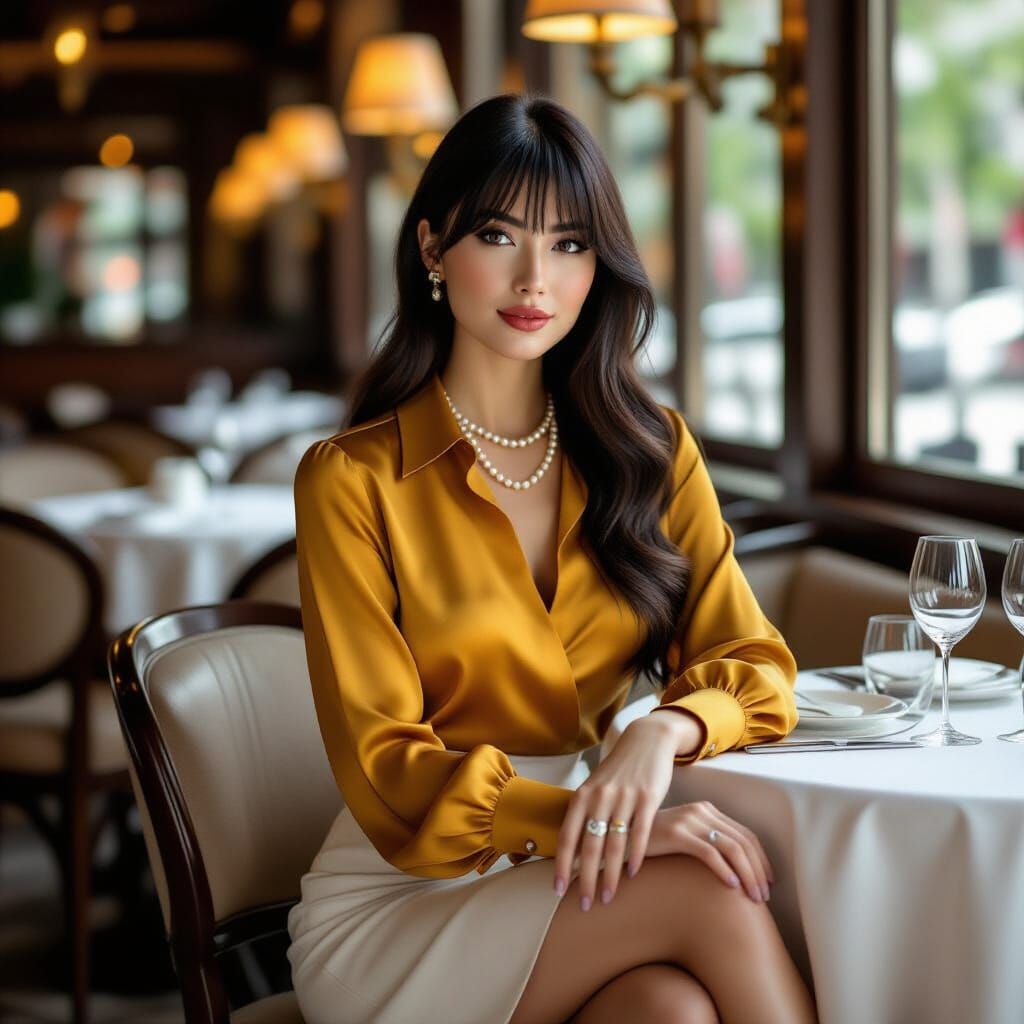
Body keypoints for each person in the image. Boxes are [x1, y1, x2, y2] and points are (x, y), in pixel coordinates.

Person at [286, 93, 818, 1024]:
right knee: (713, 893)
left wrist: (662, 730)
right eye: (499, 235)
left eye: (570, 243)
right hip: (405, 895)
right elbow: (386, 765)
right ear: (430, 249)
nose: (536, 277)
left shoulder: (650, 450)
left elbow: (761, 670)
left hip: (575, 869)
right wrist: (608, 823)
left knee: (672, 1011)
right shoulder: (352, 479)